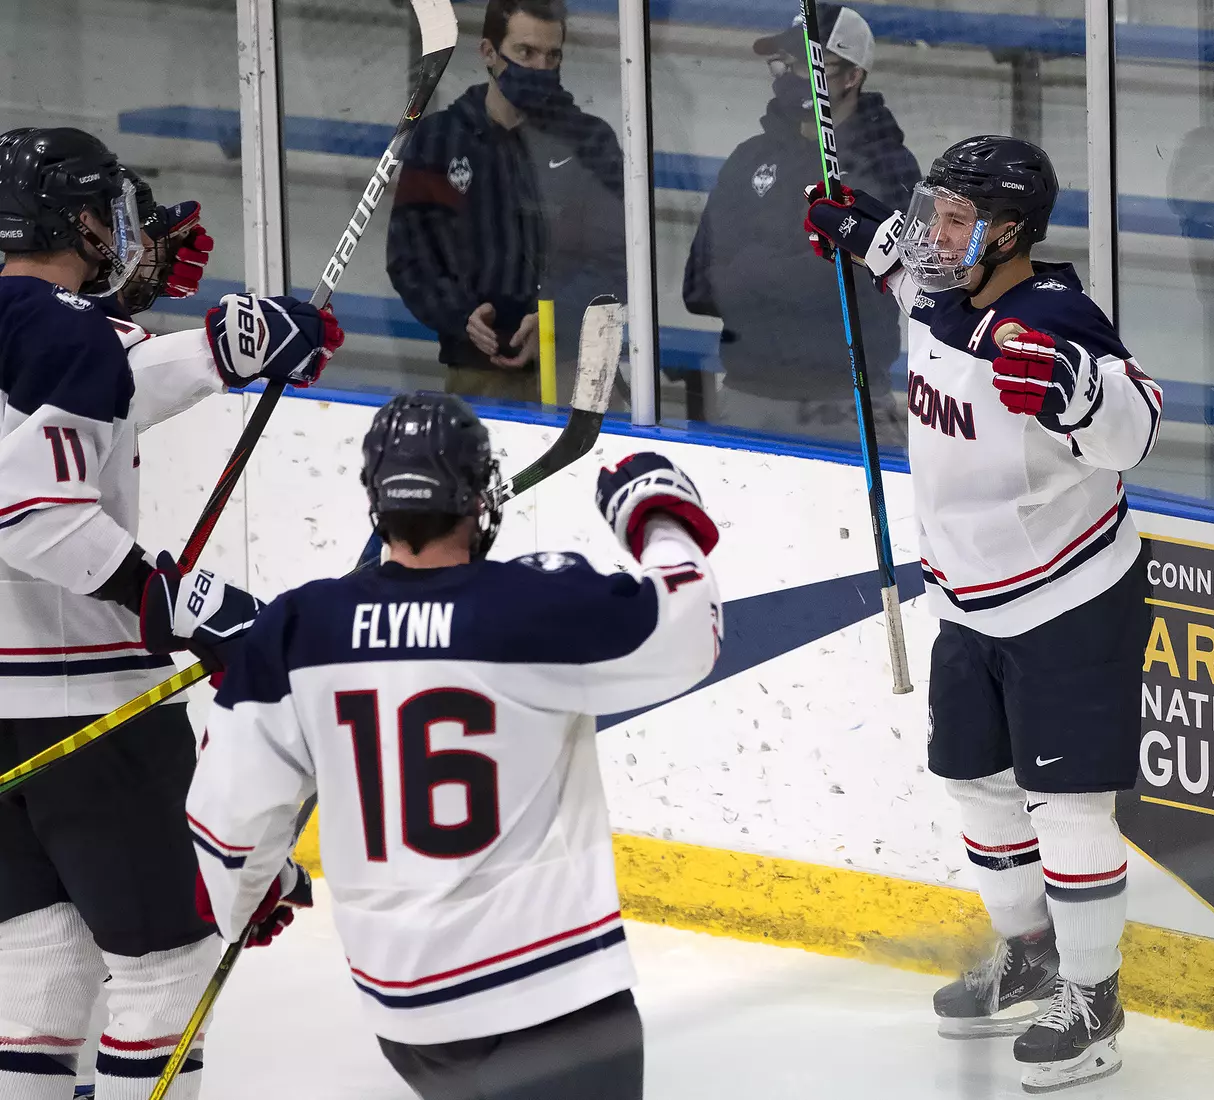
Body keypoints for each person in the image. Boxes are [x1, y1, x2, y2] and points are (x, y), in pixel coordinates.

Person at [184, 393, 723, 1100]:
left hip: (407, 1015)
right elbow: (689, 630)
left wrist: (244, 898)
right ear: (476, 497)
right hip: (549, 1000)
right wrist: (654, 516)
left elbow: (228, 818)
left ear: (377, 500)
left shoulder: (299, 627)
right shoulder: (528, 606)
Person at [804, 136, 1163, 1092]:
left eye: (954, 219)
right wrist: (857, 229)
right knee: (976, 781)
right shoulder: (940, 285)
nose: (931, 233)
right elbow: (902, 268)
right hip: (968, 600)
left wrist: (1078, 393)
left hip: (1068, 599)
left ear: (1008, 234)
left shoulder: (1055, 319)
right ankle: (1032, 953)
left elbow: (1136, 425)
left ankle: (1095, 998)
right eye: (933, 213)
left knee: (1070, 806)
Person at [0, 126, 343, 1100]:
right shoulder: (65, 334)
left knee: (42, 971)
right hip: (89, 711)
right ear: (81, 220)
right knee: (162, 974)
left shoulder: (41, 332)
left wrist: (228, 351)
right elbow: (27, 505)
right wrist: (178, 601)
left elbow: (94, 378)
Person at [682, 3, 919, 445]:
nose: (790, 74)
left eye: (808, 63)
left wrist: (752, 268)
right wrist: (795, 268)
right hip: (746, 394)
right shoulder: (749, 158)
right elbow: (698, 285)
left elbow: (858, 284)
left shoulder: (888, 167)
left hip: (844, 402)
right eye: (785, 63)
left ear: (853, 76)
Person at [388, 0, 626, 407]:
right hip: (477, 371)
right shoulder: (441, 141)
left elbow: (617, 259)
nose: (539, 67)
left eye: (552, 56)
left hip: (575, 364)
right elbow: (411, 255)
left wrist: (555, 322)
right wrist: (461, 316)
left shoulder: (590, 142)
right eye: (525, 52)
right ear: (487, 52)